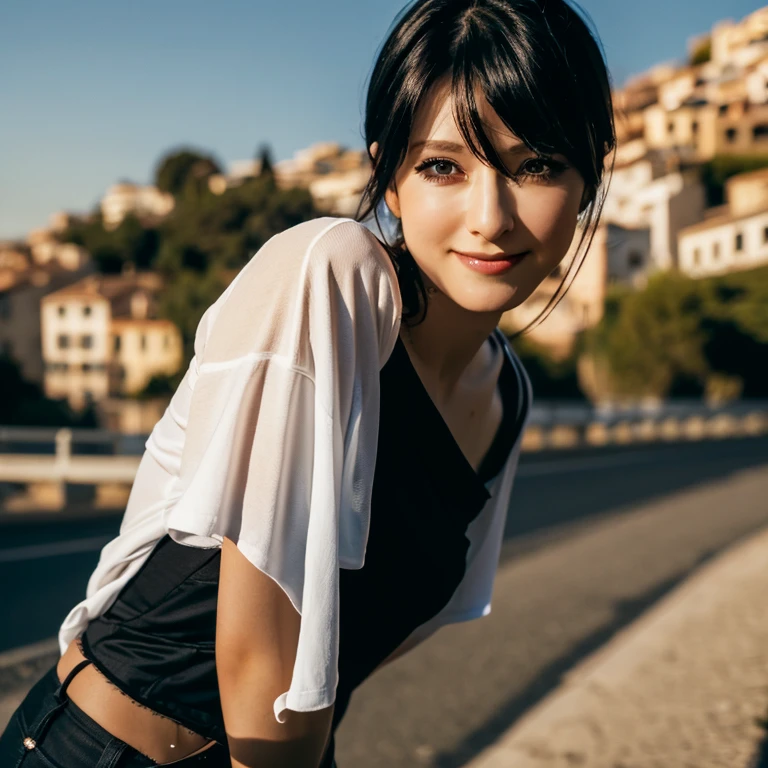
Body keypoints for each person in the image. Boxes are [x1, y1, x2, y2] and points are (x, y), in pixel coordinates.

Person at [0, 0, 615, 765]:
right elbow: (259, 661)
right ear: (389, 179)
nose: (490, 216)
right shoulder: (331, 274)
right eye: (443, 167)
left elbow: (373, 635)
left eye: (537, 166)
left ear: (588, 179)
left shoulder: (506, 398)